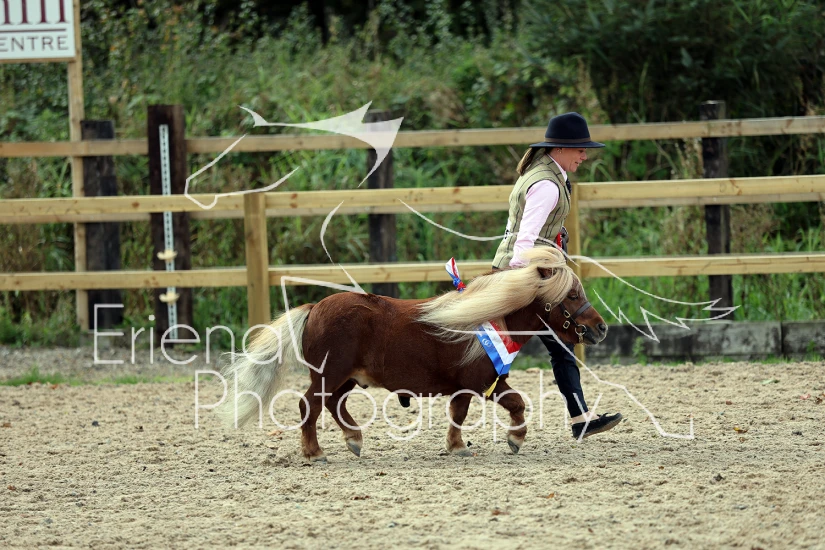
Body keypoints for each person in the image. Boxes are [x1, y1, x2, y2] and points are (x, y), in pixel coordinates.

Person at [492, 112, 622, 439]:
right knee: (499, 348)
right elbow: (525, 238)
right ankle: (578, 418)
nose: (584, 156)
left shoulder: (545, 174)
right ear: (560, 148)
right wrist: (521, 284)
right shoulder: (547, 185)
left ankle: (580, 418)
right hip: (528, 275)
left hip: (529, 273)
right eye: (580, 150)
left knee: (558, 344)